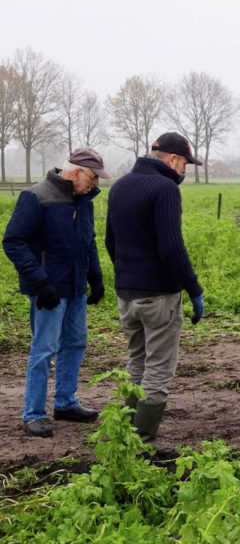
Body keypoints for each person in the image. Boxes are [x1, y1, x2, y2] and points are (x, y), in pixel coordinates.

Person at [3, 148, 110, 437]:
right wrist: (40, 282)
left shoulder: (84, 201)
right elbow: (13, 242)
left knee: (75, 344)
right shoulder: (36, 197)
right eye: (93, 178)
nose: (95, 184)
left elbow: (88, 241)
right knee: (44, 350)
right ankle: (33, 414)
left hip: (75, 289)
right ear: (76, 171)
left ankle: (65, 403)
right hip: (49, 291)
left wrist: (95, 278)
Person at [105, 132, 204, 444]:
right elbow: (171, 248)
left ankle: (126, 433)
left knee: (136, 362)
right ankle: (143, 441)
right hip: (159, 296)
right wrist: (193, 288)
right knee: (159, 369)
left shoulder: (119, 186)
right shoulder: (165, 189)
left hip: (126, 294)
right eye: (186, 164)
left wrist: (128, 274)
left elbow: (111, 241)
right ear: (173, 159)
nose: (185, 172)